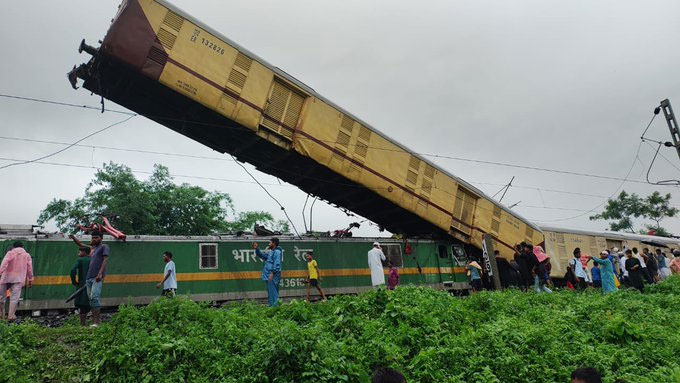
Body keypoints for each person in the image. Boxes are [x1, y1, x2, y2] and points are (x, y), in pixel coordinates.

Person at [0, 242, 33, 321]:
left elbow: (4, 263)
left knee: (1, 296)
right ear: (22, 247)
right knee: (14, 298)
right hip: (18, 279)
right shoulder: (27, 255)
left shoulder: (10, 253)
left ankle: (1, 314)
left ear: (13, 247)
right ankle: (11, 316)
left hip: (6, 277)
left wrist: (0, 272)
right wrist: (30, 279)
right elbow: (29, 268)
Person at [86, 231, 110, 327]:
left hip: (97, 277)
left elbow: (105, 260)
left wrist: (100, 274)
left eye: (96, 237)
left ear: (101, 238)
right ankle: (94, 322)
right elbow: (80, 245)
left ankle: (96, 322)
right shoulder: (93, 249)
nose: (94, 239)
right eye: (93, 237)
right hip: (89, 277)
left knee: (94, 297)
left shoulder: (104, 247)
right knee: (91, 299)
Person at [253, 238, 283, 307]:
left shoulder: (277, 252)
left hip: (272, 275)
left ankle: (275, 307)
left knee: (273, 292)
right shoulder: (270, 252)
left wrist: (272, 273)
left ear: (274, 243)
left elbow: (277, 263)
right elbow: (262, 255)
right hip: (268, 275)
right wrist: (257, 248)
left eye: (270, 242)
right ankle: (271, 306)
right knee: (270, 291)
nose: (268, 244)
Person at [70, 246, 91, 326]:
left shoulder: (80, 260)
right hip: (92, 285)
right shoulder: (92, 259)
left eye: (80, 252)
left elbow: (73, 270)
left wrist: (74, 281)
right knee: (90, 304)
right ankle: (94, 323)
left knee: (82, 305)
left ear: (85, 252)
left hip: (82, 285)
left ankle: (83, 324)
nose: (78, 253)